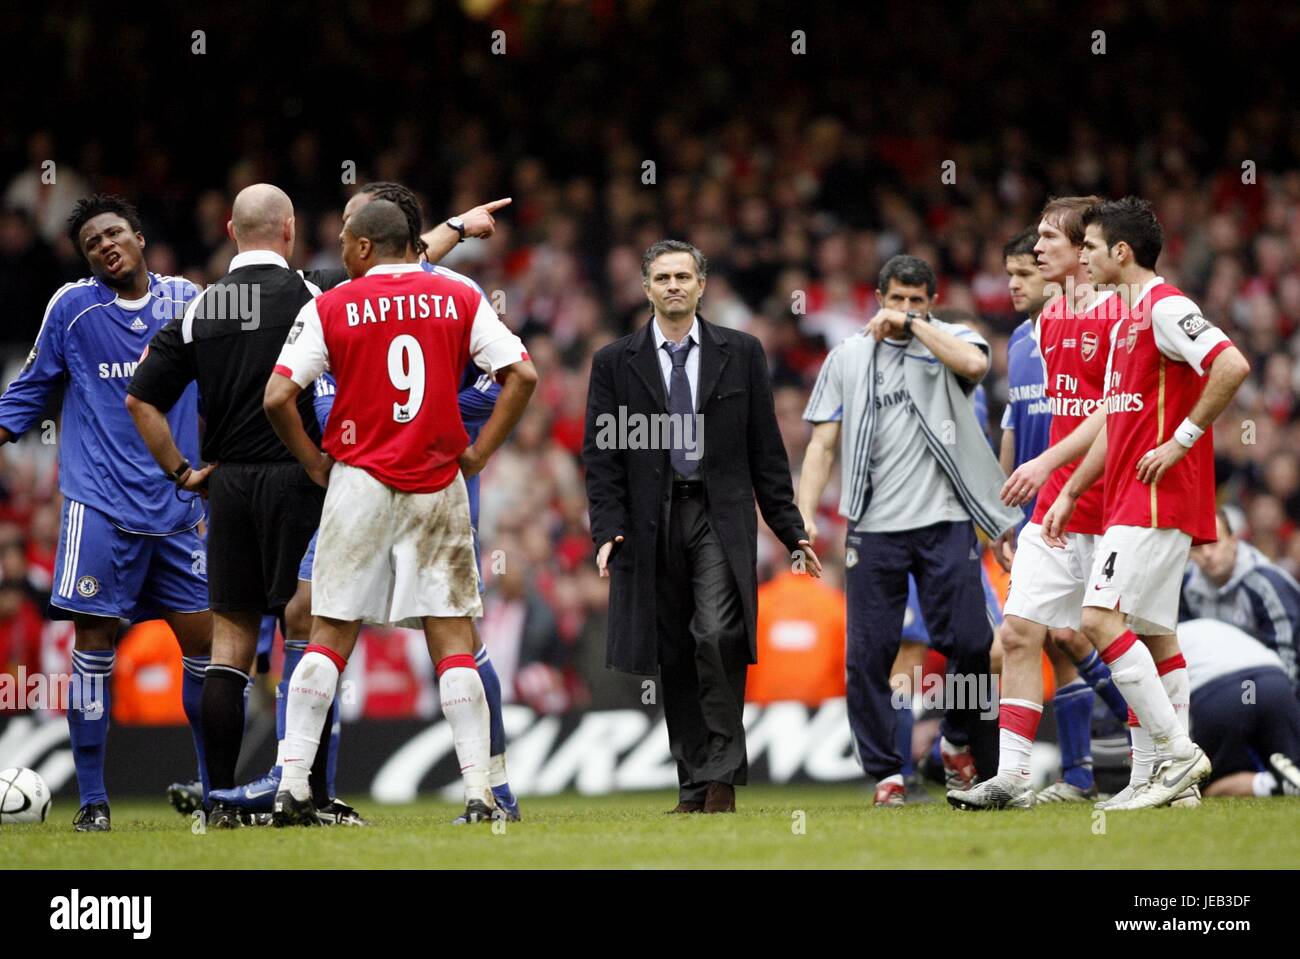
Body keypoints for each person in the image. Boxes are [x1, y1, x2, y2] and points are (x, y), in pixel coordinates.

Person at [205, 183, 521, 823]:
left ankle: (293, 787)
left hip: (359, 481)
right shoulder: (459, 295)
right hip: (436, 483)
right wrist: (479, 453)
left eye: (348, 240)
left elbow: (275, 397)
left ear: (367, 245)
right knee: (454, 640)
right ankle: (482, 797)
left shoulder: (334, 303)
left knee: (327, 634)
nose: (340, 250)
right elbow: (524, 374)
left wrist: (315, 461)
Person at [127, 183, 357, 827]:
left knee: (229, 649)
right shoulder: (312, 296)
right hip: (300, 480)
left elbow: (139, 400)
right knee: (307, 641)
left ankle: (221, 804)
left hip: (226, 487)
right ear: (288, 231)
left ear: (231, 228)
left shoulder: (201, 308)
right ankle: (303, 798)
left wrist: (182, 471)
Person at [582, 239, 820, 814]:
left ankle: (719, 777)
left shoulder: (741, 353)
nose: (673, 286)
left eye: (683, 276)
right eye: (661, 277)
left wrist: (792, 530)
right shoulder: (616, 362)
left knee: (715, 635)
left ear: (702, 284)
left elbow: (767, 449)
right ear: (645, 288)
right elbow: (601, 453)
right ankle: (694, 785)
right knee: (673, 652)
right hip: (649, 522)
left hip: (720, 514)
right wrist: (607, 528)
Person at [0, 194, 211, 832]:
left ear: (140, 237)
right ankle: (93, 801)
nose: (105, 246)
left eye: (114, 233)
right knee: (93, 650)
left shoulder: (188, 302)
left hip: (179, 508)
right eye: (92, 242)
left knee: (207, 648)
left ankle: (216, 791)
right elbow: (31, 389)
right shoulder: (71, 309)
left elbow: (230, 376)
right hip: (98, 510)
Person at [1040, 196, 1252, 810]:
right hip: (1128, 496)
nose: (1081, 255)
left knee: (1098, 621)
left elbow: (1231, 364)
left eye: (1090, 246)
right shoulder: (1124, 318)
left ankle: (1178, 757)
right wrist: (1074, 489)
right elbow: (1118, 422)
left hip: (1156, 497)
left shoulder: (1166, 306)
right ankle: (1158, 781)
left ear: (1121, 252)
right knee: (1154, 634)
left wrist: (1182, 440)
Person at [798, 253, 1021, 806]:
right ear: (879, 298)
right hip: (874, 528)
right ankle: (887, 774)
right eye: (896, 300)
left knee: (971, 642)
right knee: (869, 655)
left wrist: (916, 329)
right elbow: (823, 442)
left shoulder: (951, 338)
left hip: (946, 520)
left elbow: (974, 367)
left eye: (916, 301)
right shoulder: (848, 356)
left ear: (931, 303)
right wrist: (804, 513)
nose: (903, 310)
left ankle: (955, 736)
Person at [951, 199, 1131, 810]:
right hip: (1048, 503)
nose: (1033, 254)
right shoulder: (1041, 329)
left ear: (1083, 249)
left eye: (1047, 240)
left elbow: (1114, 416)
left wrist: (1064, 478)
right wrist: (1023, 500)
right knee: (1022, 633)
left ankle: (1166, 757)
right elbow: (1041, 421)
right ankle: (1013, 776)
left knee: (1110, 636)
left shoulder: (1122, 314)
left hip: (1109, 501)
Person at [1176, 618, 1300, 797]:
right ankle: (1285, 781)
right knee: (1293, 766)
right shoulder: (1209, 624)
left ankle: (1271, 785)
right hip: (1269, 681)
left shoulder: (1154, 642)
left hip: (1223, 691)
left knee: (1209, 784)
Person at [1181, 509, 1299, 693]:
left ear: (1234, 541)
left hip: (1269, 687)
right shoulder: (1185, 587)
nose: (1207, 554)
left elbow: (1289, 657)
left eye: (1214, 543)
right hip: (1222, 687)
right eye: (1196, 547)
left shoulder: (1266, 585)